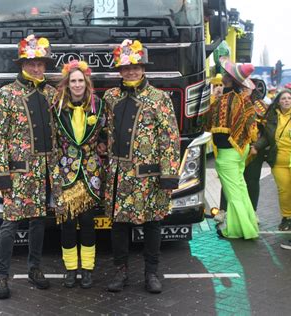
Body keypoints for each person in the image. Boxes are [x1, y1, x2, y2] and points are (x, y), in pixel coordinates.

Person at [103, 39, 180, 294]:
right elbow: (106, 129)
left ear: (143, 68)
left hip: (149, 176)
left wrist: (169, 175)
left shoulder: (159, 98)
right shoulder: (110, 97)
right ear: (120, 71)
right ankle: (121, 272)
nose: (131, 71)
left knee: (152, 224)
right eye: (126, 67)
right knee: (119, 225)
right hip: (118, 174)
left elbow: (170, 138)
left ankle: (151, 273)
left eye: (135, 66)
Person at [0, 35, 57, 300]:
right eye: (31, 63)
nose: (36, 68)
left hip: (45, 172)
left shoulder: (52, 94)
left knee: (39, 222)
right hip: (18, 173)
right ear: (22, 64)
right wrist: (0, 175)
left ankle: (34, 269)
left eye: (40, 63)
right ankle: (1, 274)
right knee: (10, 224)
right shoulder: (6, 94)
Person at [51, 60, 105, 289]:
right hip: (66, 173)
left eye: (80, 81)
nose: (77, 85)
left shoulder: (98, 106)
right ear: (67, 83)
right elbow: (52, 139)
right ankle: (71, 269)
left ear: (87, 82)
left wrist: (102, 144)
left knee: (88, 222)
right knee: (68, 223)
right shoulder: (57, 107)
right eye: (73, 81)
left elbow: (107, 132)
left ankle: (88, 269)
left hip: (90, 173)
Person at [205, 57, 259, 239]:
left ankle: (239, 230)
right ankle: (249, 224)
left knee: (233, 193)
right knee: (241, 189)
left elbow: (210, 125)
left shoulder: (224, 101)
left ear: (228, 79)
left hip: (227, 153)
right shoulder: (244, 100)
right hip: (241, 150)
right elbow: (252, 128)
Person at [253, 90, 291, 231]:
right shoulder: (273, 116)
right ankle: (286, 218)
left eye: (289, 98)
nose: (286, 101)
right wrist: (256, 147)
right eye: (283, 99)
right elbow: (266, 137)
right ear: (278, 101)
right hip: (279, 161)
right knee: (284, 191)